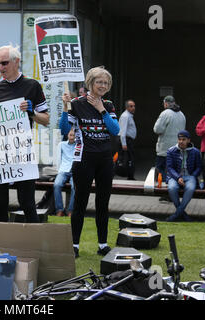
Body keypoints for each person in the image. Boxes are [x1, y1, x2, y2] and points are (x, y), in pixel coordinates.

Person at [0, 44, 49, 223]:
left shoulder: (32, 85)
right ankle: (0, 244)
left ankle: (35, 245)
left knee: (27, 203)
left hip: (22, 151)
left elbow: (45, 119)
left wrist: (32, 113)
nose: (1, 68)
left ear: (16, 62)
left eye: (4, 63)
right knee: (0, 203)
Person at [62, 66, 120, 258]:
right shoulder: (77, 103)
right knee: (80, 202)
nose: (102, 85)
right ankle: (74, 245)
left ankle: (102, 244)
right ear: (90, 83)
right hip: (84, 158)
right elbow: (63, 128)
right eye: (99, 82)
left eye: (105, 82)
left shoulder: (109, 105)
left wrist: (101, 110)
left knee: (103, 203)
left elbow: (115, 130)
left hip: (104, 159)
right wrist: (65, 108)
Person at [153, 95, 186, 200]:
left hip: (164, 149)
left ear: (166, 103)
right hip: (177, 149)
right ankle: (173, 194)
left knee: (163, 171)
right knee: (174, 172)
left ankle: (165, 194)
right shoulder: (182, 114)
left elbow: (157, 129)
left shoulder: (165, 113)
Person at [165, 130, 202, 222]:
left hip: (190, 176)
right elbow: (169, 168)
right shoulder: (171, 151)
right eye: (179, 139)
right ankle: (183, 214)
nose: (181, 141)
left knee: (190, 188)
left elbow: (199, 167)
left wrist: (193, 176)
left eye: (183, 139)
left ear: (188, 140)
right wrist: (178, 177)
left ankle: (176, 215)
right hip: (175, 176)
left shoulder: (196, 152)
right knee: (172, 188)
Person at [54, 129, 76, 217]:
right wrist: (59, 170)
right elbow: (58, 158)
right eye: (70, 135)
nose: (72, 137)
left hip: (74, 171)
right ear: (67, 135)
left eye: (74, 135)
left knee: (75, 187)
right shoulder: (61, 145)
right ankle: (59, 210)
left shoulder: (79, 145)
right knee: (57, 185)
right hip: (63, 170)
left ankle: (70, 211)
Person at [117, 99, 137, 180]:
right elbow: (123, 130)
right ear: (127, 107)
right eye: (131, 106)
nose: (133, 108)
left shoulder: (129, 116)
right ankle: (126, 174)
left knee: (130, 158)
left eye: (134, 106)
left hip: (129, 140)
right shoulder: (125, 116)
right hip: (126, 140)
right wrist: (124, 143)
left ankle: (130, 175)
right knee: (126, 159)